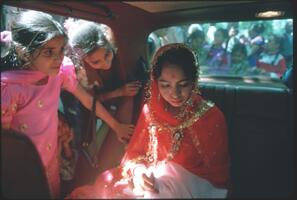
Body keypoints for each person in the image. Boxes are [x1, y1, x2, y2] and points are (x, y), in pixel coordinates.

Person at [67, 43, 231, 199]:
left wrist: (170, 178)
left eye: (183, 84)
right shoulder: (151, 112)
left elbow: (215, 173)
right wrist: (139, 172)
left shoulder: (210, 116)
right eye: (165, 85)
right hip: (149, 182)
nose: (175, 93)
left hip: (192, 187)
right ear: (155, 82)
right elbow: (135, 153)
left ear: (194, 82)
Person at [1, 10, 134, 198]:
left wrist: (117, 126)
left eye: (62, 49)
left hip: (50, 160)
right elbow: (5, 144)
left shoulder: (61, 73)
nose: (59, 58)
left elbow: (88, 100)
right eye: (49, 52)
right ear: (24, 53)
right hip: (22, 168)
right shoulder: (10, 89)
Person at [61, 19, 141, 146]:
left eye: (107, 55)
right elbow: (91, 100)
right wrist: (119, 92)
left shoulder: (115, 43)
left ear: (109, 43)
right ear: (83, 61)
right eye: (96, 62)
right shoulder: (81, 73)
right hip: (85, 111)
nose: (105, 64)